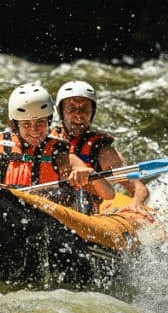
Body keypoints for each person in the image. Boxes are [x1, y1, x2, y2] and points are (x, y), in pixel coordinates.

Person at [0, 82, 114, 205]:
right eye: (26, 124)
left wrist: (89, 173)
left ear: (49, 122)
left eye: (40, 123)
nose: (34, 129)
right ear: (15, 125)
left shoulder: (60, 155)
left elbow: (109, 194)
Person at [53, 80, 150, 213]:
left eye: (84, 109)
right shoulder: (47, 142)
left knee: (81, 192)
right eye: (71, 109)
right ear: (61, 112)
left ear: (92, 112)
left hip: (85, 212)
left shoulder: (103, 152)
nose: (79, 115)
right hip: (49, 202)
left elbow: (140, 189)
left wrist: (136, 203)